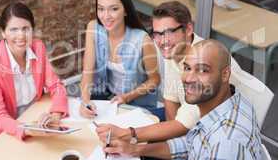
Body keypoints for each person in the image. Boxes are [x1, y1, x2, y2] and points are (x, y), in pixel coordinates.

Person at [96, 1, 244, 143]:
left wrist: (129, 135)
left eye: (168, 32)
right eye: (157, 34)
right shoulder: (173, 50)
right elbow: (170, 98)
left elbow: (183, 125)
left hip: (217, 131)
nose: (162, 41)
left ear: (188, 29)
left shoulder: (200, 60)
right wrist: (171, 139)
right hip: (187, 119)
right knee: (123, 127)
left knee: (128, 137)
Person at [100, 40, 263, 159]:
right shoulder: (229, 101)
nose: (189, 78)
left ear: (225, 74)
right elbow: (193, 144)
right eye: (187, 68)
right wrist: (134, 149)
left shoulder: (226, 145)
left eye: (203, 70)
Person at [0, 2, 68, 152]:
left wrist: (55, 115)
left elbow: (56, 86)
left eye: (26, 28)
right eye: (13, 29)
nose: (21, 35)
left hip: (30, 117)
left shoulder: (38, 48)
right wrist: (28, 130)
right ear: (3, 32)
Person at [79, 0, 160, 118]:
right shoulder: (93, 28)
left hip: (135, 104)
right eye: (101, 9)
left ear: (126, 10)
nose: (106, 16)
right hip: (107, 99)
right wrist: (85, 102)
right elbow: (88, 72)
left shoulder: (142, 39)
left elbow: (155, 80)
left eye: (114, 9)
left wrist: (126, 97)